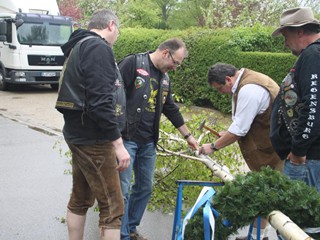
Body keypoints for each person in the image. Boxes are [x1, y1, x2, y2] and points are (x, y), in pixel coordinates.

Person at [55, 9, 130, 240]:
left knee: (81, 197)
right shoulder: (98, 48)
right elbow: (100, 102)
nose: (117, 36)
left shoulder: (78, 46)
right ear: (111, 25)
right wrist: (118, 144)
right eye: (118, 30)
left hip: (78, 133)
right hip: (94, 139)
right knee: (112, 207)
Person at [118, 38, 199, 240]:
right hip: (126, 139)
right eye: (176, 62)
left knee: (145, 187)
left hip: (148, 142)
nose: (175, 67)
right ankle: (122, 234)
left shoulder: (164, 78)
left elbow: (170, 107)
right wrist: (114, 138)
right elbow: (113, 97)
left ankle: (131, 227)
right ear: (165, 53)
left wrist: (188, 135)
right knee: (122, 189)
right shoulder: (133, 64)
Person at [200, 63, 284, 240]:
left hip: (274, 153)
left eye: (219, 88)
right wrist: (228, 133)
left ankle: (264, 236)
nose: (221, 93)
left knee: (272, 198)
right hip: (270, 151)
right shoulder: (247, 82)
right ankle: (257, 236)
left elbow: (240, 130)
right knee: (262, 196)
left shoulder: (249, 89)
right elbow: (244, 122)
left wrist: (213, 146)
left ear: (228, 79)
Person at [270, 7, 320, 193]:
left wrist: (299, 151)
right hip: (310, 158)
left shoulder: (313, 56)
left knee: (299, 220)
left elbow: (314, 107)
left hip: (309, 160)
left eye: (285, 36)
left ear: (299, 31)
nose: (285, 44)